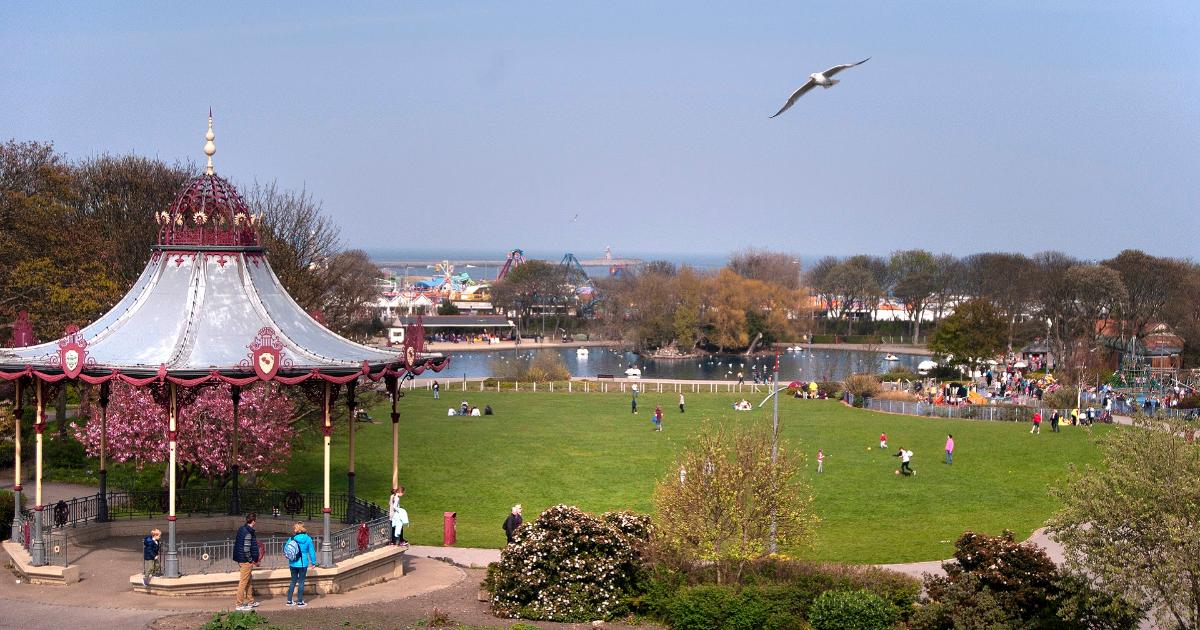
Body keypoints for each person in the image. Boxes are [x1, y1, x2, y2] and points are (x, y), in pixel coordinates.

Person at [285, 521, 317, 607]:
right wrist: (313, 562)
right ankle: (300, 601)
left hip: (293, 563)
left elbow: (286, 548)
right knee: (301, 582)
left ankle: (289, 600)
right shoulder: (308, 539)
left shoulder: (292, 538)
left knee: (293, 581)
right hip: (303, 563)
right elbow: (312, 551)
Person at [233, 513, 260, 611]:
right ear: (253, 521)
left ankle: (250, 602)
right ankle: (239, 604)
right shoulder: (248, 532)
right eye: (255, 521)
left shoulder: (242, 529)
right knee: (243, 582)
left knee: (249, 581)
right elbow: (246, 549)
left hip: (241, 559)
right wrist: (251, 560)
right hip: (245, 561)